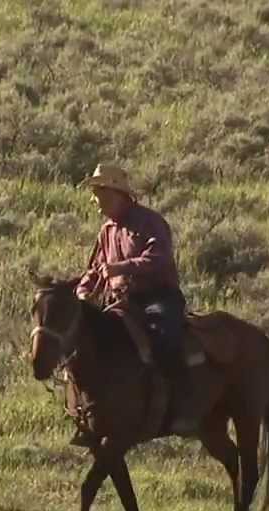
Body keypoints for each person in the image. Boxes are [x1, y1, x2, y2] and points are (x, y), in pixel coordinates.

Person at [73, 163, 199, 443]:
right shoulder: (106, 231)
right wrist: (83, 293)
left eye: (100, 193)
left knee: (166, 340)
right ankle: (95, 415)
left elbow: (159, 259)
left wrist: (121, 268)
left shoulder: (151, 222)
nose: (96, 201)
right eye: (95, 194)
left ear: (118, 193)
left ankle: (184, 408)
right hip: (122, 302)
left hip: (158, 298)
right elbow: (93, 271)